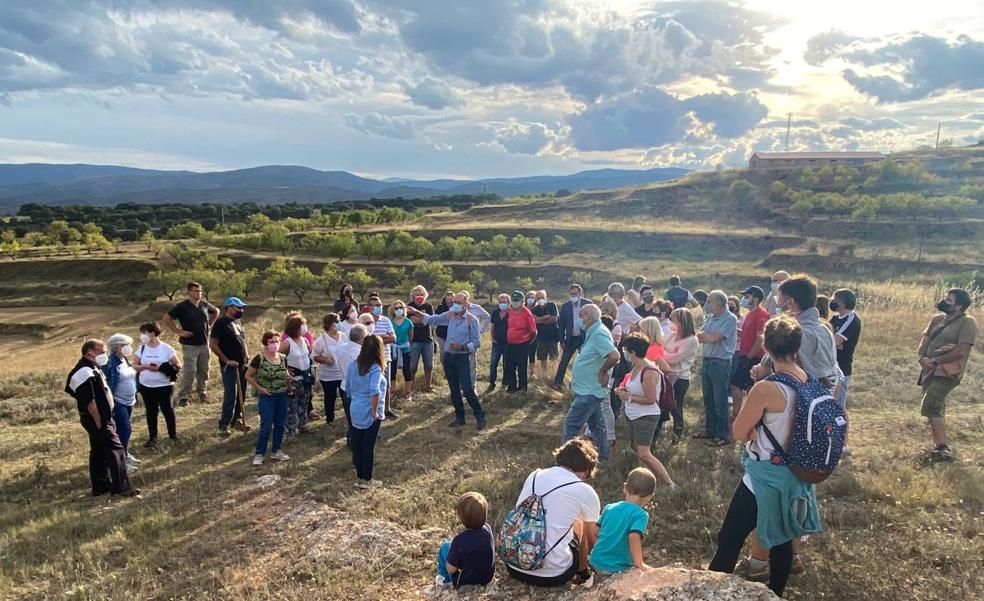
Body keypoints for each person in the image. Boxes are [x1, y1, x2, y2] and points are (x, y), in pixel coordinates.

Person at [709, 315, 822, 598]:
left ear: (767, 348)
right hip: (796, 474)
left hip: (763, 476)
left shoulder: (766, 388)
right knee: (782, 539)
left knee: (729, 539)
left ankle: (709, 591)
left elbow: (738, 431)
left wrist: (757, 395)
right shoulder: (810, 381)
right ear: (797, 346)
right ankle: (775, 593)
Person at [505, 438, 601, 587]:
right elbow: (591, 537)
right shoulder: (584, 491)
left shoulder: (535, 475)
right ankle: (582, 573)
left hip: (514, 566)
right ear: (585, 471)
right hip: (555, 574)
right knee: (580, 518)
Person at [65, 339, 138, 497]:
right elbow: (87, 399)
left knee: (99, 451)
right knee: (116, 449)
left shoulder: (92, 367)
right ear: (90, 353)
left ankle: (101, 485)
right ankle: (121, 488)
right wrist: (98, 419)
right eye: (102, 351)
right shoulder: (84, 372)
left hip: (101, 416)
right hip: (97, 418)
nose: (105, 354)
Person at [409, 292, 486, 429]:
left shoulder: (471, 320)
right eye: (454, 302)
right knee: (454, 389)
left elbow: (477, 342)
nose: (454, 304)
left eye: (458, 302)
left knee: (467, 389)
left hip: (462, 358)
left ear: (466, 304)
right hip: (449, 357)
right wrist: (417, 312)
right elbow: (433, 319)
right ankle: (460, 417)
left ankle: (480, 416)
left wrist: (462, 347)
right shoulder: (449, 315)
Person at [916, 287, 977, 461]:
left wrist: (935, 359)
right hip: (929, 370)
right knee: (934, 407)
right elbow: (924, 341)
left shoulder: (967, 322)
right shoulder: (937, 320)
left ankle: (942, 447)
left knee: (931, 403)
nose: (944, 301)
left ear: (959, 306)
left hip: (948, 372)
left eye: (949, 300)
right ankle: (939, 445)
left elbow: (961, 351)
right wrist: (921, 357)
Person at [754, 275, 839, 392]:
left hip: (802, 399)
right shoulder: (825, 329)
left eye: (779, 299)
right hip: (825, 397)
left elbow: (768, 365)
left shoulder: (794, 333)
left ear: (790, 302)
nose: (778, 305)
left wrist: (760, 371)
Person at [614, 334, 675, 487]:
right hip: (634, 415)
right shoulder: (636, 366)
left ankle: (669, 483)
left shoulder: (648, 371)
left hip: (646, 416)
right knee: (639, 451)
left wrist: (628, 397)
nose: (624, 352)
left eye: (625, 349)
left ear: (633, 352)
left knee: (644, 453)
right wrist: (624, 389)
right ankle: (646, 482)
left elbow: (650, 399)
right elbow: (635, 389)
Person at [564, 304, 618, 462]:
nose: (579, 320)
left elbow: (614, 355)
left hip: (589, 391)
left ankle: (565, 463)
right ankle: (602, 457)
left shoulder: (599, 333)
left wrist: (603, 370)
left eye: (580, 316)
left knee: (571, 424)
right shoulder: (593, 332)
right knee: (597, 426)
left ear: (588, 317)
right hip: (588, 389)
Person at [588, 468, 658, 576]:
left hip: (596, 561)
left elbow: (595, 531)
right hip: (617, 567)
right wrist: (640, 564)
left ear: (625, 488)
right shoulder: (641, 515)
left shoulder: (609, 508)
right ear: (650, 497)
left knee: (600, 584)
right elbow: (633, 537)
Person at [163, 281, 218, 407]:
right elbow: (166, 318)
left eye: (199, 291)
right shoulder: (182, 306)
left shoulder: (204, 304)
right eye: (195, 291)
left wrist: (209, 325)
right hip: (190, 345)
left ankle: (201, 391)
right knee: (190, 371)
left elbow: (216, 311)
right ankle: (183, 396)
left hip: (204, 343)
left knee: (204, 370)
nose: (198, 293)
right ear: (188, 292)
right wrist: (179, 331)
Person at [696, 291, 738, 447]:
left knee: (720, 401)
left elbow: (714, 338)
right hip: (707, 361)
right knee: (708, 399)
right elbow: (700, 336)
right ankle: (710, 430)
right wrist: (708, 336)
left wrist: (708, 336)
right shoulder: (711, 318)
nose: (707, 304)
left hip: (720, 363)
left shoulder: (730, 319)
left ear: (719, 303)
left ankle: (722, 434)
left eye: (710, 301)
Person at [346, 333, 388, 488]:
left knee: (357, 445)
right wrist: (375, 411)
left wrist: (356, 400)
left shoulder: (353, 365)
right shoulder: (375, 368)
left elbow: (348, 389)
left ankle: (359, 477)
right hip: (370, 412)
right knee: (368, 447)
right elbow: (375, 391)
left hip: (355, 409)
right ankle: (367, 480)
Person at [132, 321, 180, 447]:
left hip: (164, 385)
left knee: (167, 410)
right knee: (151, 411)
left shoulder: (166, 348)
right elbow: (134, 366)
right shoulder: (141, 348)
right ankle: (153, 437)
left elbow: (178, 364)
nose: (142, 335)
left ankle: (173, 435)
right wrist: (146, 366)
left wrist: (162, 367)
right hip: (146, 385)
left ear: (153, 333)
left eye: (144, 333)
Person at [247, 331, 291, 466]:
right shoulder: (259, 359)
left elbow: (285, 372)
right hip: (267, 397)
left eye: (277, 341)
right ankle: (260, 453)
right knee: (266, 426)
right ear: (266, 343)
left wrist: (289, 381)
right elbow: (248, 375)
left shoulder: (283, 357)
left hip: (282, 395)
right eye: (272, 342)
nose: (275, 344)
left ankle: (276, 450)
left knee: (280, 424)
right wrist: (260, 388)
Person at [436, 492, 495, 588]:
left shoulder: (459, 541)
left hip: (464, 581)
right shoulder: (488, 529)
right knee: (451, 546)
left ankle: (444, 579)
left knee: (444, 547)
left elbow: (451, 569)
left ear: (461, 519)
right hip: (487, 578)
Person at [209, 297, 250, 436]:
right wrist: (226, 360)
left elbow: (242, 340)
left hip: (242, 364)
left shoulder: (237, 322)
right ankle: (224, 424)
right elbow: (213, 344)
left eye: (242, 308)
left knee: (242, 394)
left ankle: (236, 420)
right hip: (230, 366)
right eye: (239, 308)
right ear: (230, 308)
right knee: (230, 395)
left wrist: (246, 355)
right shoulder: (221, 323)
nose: (241, 310)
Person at [659, 308, 699, 443]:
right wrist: (663, 355)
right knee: (663, 404)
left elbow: (675, 358)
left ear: (682, 321)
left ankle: (677, 434)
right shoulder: (672, 335)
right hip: (666, 375)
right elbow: (662, 350)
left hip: (680, 378)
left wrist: (662, 356)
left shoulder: (692, 340)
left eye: (673, 319)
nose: (670, 321)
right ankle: (660, 431)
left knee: (676, 407)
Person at [731, 286, 769, 419]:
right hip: (745, 354)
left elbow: (760, 338)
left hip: (754, 357)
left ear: (756, 298)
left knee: (739, 385)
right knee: (746, 386)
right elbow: (747, 334)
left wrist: (749, 357)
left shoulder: (761, 314)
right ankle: (744, 416)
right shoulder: (749, 314)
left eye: (747, 296)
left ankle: (744, 416)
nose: (744, 299)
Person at [103, 333, 139, 470]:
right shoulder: (110, 362)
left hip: (130, 401)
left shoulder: (125, 360)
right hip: (118, 402)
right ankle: (121, 461)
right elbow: (105, 382)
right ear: (116, 347)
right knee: (124, 430)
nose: (128, 348)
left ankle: (125, 453)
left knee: (126, 430)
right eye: (125, 345)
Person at [279, 315, 313, 439]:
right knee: (292, 406)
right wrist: (285, 370)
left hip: (305, 376)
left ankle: (302, 424)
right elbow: (275, 358)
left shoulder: (305, 340)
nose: (305, 327)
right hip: (293, 379)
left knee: (304, 402)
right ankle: (290, 431)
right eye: (302, 324)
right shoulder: (287, 344)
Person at [554, 284, 593, 389]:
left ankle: (584, 384)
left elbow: (594, 321)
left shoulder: (588, 304)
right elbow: (561, 325)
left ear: (579, 293)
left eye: (575, 294)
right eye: (571, 294)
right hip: (571, 338)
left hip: (584, 338)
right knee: (564, 361)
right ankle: (557, 383)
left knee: (585, 361)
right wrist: (562, 340)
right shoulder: (565, 306)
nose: (573, 296)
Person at [829, 288, 861, 411]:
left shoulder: (851, 320)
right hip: (830, 366)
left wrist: (834, 343)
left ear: (842, 303)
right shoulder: (836, 318)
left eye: (834, 300)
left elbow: (835, 341)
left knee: (838, 407)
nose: (831, 302)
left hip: (842, 368)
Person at [312, 313, 347, 425]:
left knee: (346, 397)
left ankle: (349, 417)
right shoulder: (321, 340)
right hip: (328, 376)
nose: (339, 323)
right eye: (337, 321)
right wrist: (325, 360)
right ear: (330, 324)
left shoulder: (344, 336)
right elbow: (313, 356)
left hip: (343, 374)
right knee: (330, 398)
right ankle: (330, 419)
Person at [366, 293, 398, 418]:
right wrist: (382, 338)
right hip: (369, 359)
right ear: (369, 307)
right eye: (375, 305)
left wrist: (376, 340)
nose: (378, 307)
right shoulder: (365, 320)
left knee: (386, 385)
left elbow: (393, 338)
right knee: (371, 385)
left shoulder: (386, 320)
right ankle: (372, 409)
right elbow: (365, 340)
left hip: (384, 358)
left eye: (379, 305)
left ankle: (386, 409)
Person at [337, 324, 368, 446]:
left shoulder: (342, 348)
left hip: (344, 385)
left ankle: (351, 438)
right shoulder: (359, 353)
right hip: (357, 389)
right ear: (361, 338)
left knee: (350, 416)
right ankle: (356, 440)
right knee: (358, 417)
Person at [504, 290, 538, 393]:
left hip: (522, 344)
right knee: (509, 366)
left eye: (517, 301)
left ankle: (522, 388)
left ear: (523, 301)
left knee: (521, 367)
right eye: (513, 300)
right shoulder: (510, 312)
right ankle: (512, 387)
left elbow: (534, 331)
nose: (515, 302)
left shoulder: (527, 313)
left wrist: (527, 342)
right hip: (510, 344)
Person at [408, 285, 435, 393]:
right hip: (414, 340)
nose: (419, 297)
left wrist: (419, 319)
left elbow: (429, 320)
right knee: (412, 366)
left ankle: (428, 386)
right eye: (417, 295)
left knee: (429, 364)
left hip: (428, 340)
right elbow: (409, 321)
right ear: (413, 296)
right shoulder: (409, 306)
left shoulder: (428, 306)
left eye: (422, 295)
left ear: (425, 296)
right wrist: (423, 319)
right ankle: (411, 387)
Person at [532, 290, 560, 381]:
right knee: (542, 359)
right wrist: (545, 317)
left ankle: (555, 376)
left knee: (554, 358)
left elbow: (554, 319)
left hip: (553, 337)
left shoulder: (552, 305)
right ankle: (544, 377)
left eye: (542, 297)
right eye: (538, 298)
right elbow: (534, 321)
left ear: (546, 297)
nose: (540, 299)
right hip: (540, 338)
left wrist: (540, 320)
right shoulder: (534, 309)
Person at [486, 293, 510, 392]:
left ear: (509, 303)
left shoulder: (512, 313)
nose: (502, 304)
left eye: (504, 302)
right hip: (496, 342)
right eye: (500, 302)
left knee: (506, 364)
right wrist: (492, 338)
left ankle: (505, 383)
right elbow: (492, 326)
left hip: (508, 343)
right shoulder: (495, 313)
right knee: (493, 364)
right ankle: (492, 383)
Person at [434, 291, 454, 372]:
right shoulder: (440, 307)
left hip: (452, 333)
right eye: (447, 299)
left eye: (450, 299)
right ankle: (444, 369)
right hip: (441, 333)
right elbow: (436, 318)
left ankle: (452, 368)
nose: (449, 301)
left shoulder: (457, 307)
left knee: (451, 351)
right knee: (443, 351)